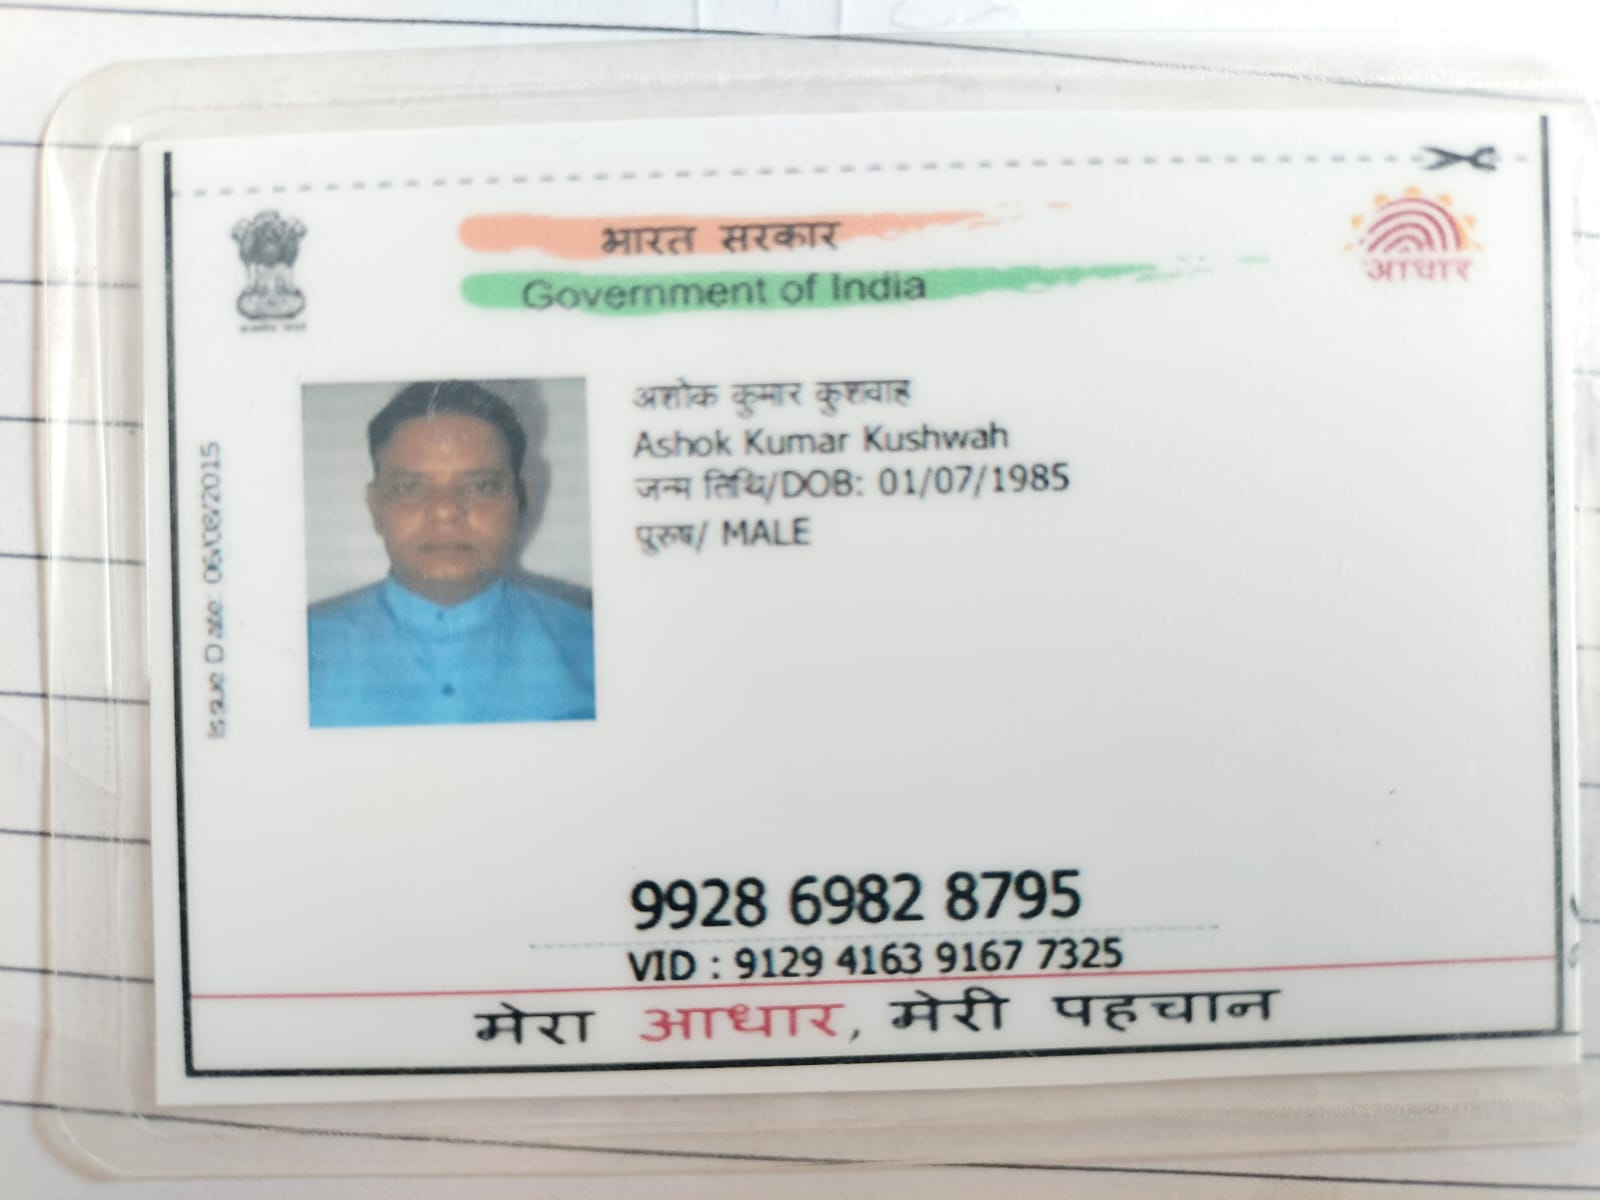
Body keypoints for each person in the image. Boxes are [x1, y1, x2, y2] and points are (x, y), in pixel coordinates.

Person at [307, 381, 595, 727]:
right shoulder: (299, 653)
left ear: (520, 501)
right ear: (376, 508)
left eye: (481, 486)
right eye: (409, 487)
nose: (445, 511)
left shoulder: (597, 646)